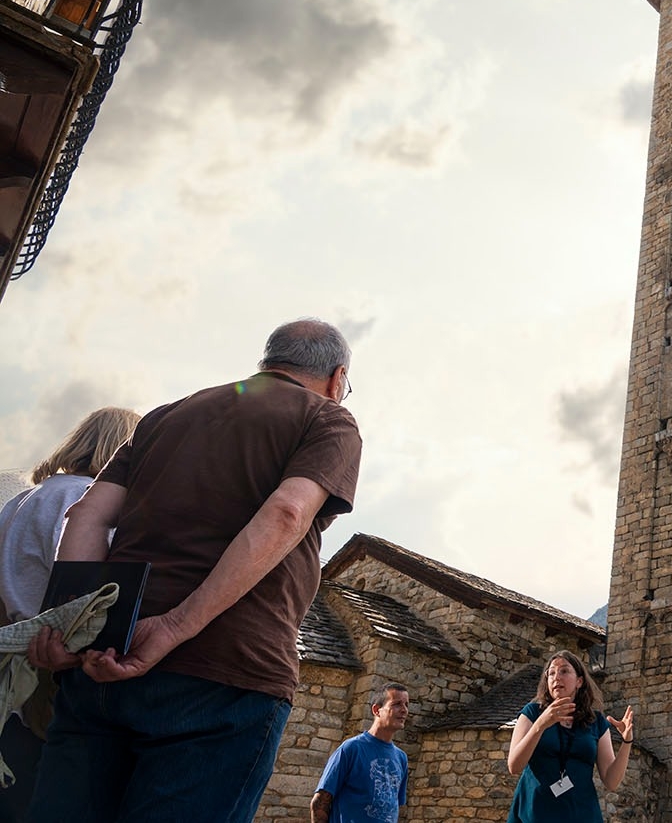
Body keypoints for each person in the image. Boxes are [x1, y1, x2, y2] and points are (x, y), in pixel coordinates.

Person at [25, 318, 363, 823]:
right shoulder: (328, 420)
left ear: (267, 362)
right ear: (337, 379)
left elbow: (87, 514)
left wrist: (68, 627)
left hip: (105, 663)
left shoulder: (165, 416)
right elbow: (288, 513)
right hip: (226, 674)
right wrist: (177, 626)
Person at [0, 408, 139, 823]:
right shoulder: (81, 502)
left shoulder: (19, 502)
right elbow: (83, 593)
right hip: (53, 669)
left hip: (11, 671)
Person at [506, 650, 634, 823]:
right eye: (551, 673)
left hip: (582, 814)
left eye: (564, 671)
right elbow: (514, 766)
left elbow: (611, 781)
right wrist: (541, 724)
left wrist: (627, 741)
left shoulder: (596, 722)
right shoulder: (532, 713)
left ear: (579, 681)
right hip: (536, 813)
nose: (556, 677)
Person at [311, 683, 411, 823]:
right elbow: (319, 803)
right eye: (397, 704)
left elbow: (395, 807)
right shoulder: (351, 748)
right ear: (376, 710)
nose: (404, 710)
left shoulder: (401, 758)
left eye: (406, 704)